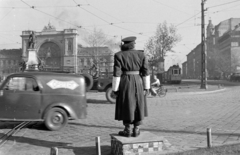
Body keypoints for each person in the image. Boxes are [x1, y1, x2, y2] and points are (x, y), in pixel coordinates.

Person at [112, 36, 150, 137]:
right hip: (138, 81)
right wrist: (147, 87)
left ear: (124, 45)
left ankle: (127, 129)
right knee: (138, 103)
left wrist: (115, 89)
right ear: (133, 44)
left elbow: (117, 73)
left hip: (125, 81)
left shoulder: (118, 55)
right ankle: (137, 129)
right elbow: (146, 72)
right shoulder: (142, 55)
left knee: (126, 103)